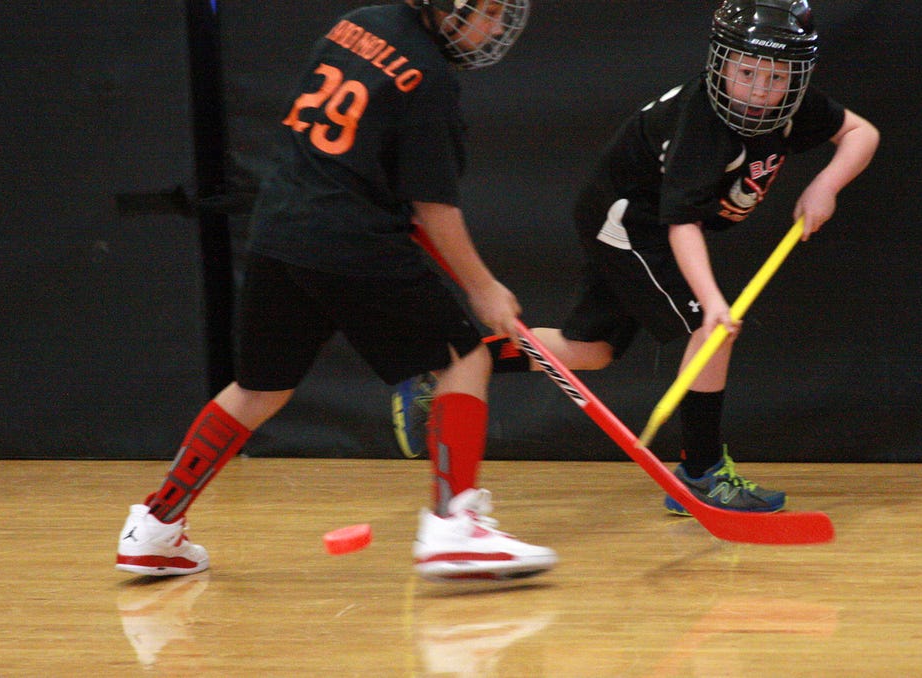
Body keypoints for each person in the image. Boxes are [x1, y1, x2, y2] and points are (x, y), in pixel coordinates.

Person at [116, 0, 557, 583]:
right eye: (489, 12)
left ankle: (155, 525)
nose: (496, 28)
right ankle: (454, 527)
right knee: (465, 357)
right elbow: (434, 209)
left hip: (280, 229)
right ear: (448, 6)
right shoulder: (430, 80)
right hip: (351, 238)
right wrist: (484, 287)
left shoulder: (359, 21)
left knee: (258, 388)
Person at [394, 0, 878, 515]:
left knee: (592, 351)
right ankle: (701, 471)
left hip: (636, 221)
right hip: (628, 221)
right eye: (746, 72)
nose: (759, 89)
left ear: (797, 75)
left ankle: (451, 364)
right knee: (708, 329)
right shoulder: (705, 124)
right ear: (721, 62)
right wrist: (713, 302)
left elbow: (860, 132)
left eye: (775, 76)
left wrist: (826, 184)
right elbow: (680, 224)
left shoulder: (793, 109)